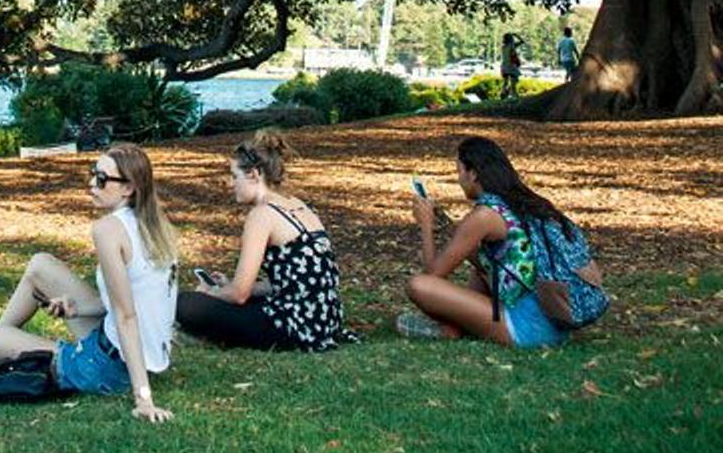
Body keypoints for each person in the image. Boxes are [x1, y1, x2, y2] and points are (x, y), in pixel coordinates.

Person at [0, 141, 177, 424]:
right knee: (40, 265)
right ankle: (0, 353)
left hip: (109, 365)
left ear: (128, 188)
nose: (92, 183)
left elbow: (127, 316)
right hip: (127, 351)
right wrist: (75, 309)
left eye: (102, 179)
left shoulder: (107, 229)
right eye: (92, 173)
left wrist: (144, 399)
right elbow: (128, 302)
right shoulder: (153, 223)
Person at [398, 134, 603, 348]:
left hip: (526, 329)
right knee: (481, 264)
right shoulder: (522, 203)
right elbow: (490, 260)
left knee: (418, 285)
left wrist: (425, 226)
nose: (458, 179)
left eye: (459, 171)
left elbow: (432, 276)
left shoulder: (484, 215)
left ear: (474, 174)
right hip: (555, 323)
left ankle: (453, 329)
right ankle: (454, 328)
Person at [175, 129, 357, 352]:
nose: (230, 184)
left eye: (234, 176)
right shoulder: (296, 204)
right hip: (325, 320)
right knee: (231, 301)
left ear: (253, 174)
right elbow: (288, 281)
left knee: (185, 302)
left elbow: (239, 295)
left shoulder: (262, 214)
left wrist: (210, 294)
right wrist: (228, 286)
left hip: (294, 326)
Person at [500, 33, 522, 99]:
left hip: (504, 67)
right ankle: (513, 94)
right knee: (515, 80)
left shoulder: (503, 47)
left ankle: (504, 92)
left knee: (505, 82)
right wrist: (517, 36)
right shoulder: (512, 45)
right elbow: (522, 41)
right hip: (511, 66)